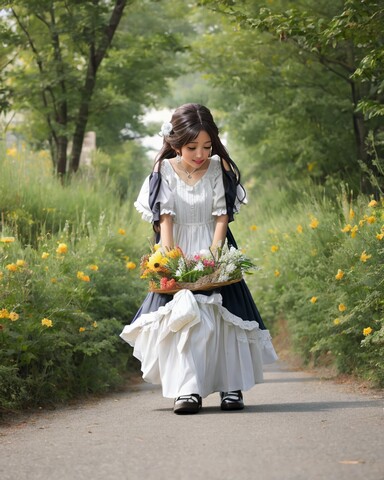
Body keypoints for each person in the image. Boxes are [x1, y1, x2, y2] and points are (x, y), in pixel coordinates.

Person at [120, 103, 277, 414]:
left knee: (223, 319)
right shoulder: (163, 171)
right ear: (176, 143)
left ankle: (231, 388)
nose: (200, 154)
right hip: (177, 245)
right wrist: (169, 257)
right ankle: (188, 389)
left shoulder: (218, 168)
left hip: (213, 243)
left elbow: (222, 215)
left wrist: (215, 254)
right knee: (185, 318)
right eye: (192, 147)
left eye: (207, 146)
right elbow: (165, 217)